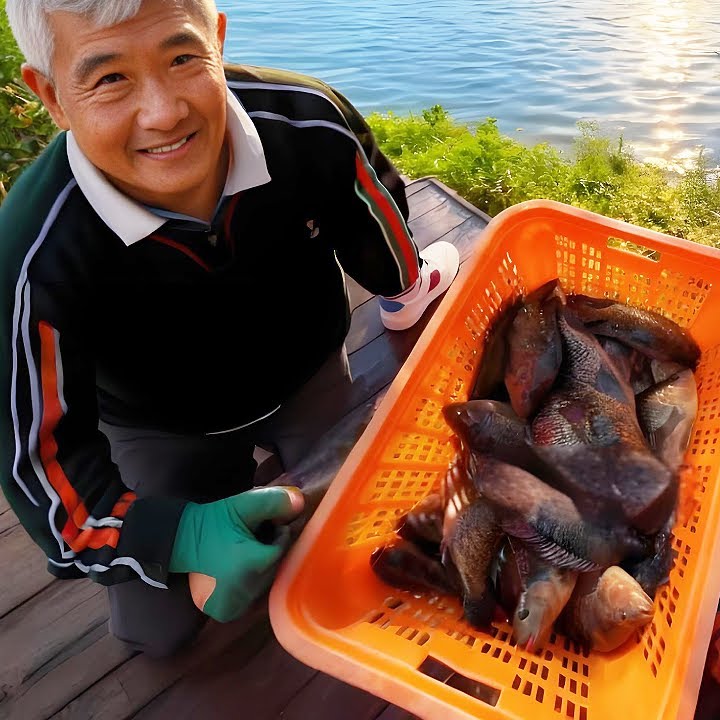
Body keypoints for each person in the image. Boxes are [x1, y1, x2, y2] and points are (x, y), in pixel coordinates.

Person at [0, 0, 459, 657]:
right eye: (109, 79)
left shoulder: (309, 123)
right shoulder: (33, 255)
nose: (162, 112)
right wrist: (177, 536)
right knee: (156, 630)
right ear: (50, 93)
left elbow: (374, 222)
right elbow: (43, 475)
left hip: (308, 376)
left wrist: (398, 283)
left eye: (182, 57)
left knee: (370, 539)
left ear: (217, 38)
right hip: (157, 425)